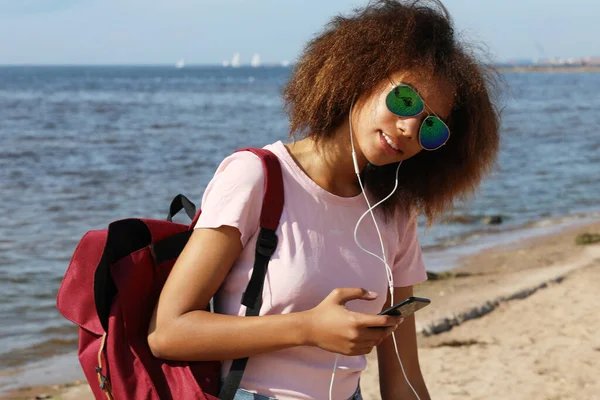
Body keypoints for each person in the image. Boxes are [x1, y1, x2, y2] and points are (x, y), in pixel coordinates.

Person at [147, 0, 500, 399]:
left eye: (431, 127)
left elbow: (402, 374)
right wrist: (308, 328)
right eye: (406, 101)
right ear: (362, 73)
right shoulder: (257, 177)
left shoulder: (394, 212)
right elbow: (168, 331)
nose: (408, 128)